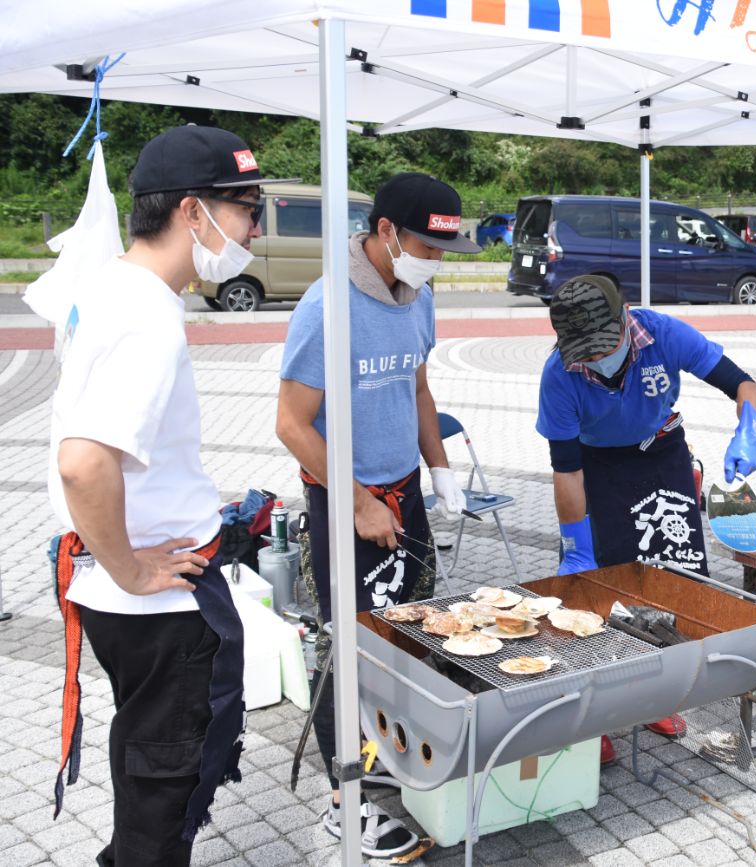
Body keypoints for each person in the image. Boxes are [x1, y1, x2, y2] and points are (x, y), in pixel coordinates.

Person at [49, 125, 292, 865]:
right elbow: (83, 461)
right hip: (155, 606)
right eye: (246, 207)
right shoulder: (148, 316)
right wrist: (130, 565)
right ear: (193, 211)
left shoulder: (112, 285)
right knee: (167, 784)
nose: (253, 226)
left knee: (144, 751)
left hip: (115, 594)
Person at [276, 172, 478, 858]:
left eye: (446, 250)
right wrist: (357, 502)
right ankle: (343, 805)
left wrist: (440, 466)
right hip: (345, 500)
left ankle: (395, 760)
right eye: (428, 245)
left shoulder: (418, 294)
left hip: (403, 493)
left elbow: (419, 384)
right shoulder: (326, 305)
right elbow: (292, 423)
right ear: (387, 231)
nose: (436, 261)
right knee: (347, 648)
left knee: (412, 632)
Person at [535, 274, 756, 761]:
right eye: (586, 352)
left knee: (674, 584)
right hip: (597, 469)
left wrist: (750, 429)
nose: (597, 359)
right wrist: (576, 545)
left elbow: (744, 384)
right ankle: (592, 717)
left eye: (606, 344)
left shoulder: (663, 334)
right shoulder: (560, 374)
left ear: (625, 317)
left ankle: (653, 698)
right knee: (596, 593)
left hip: (661, 454)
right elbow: (567, 473)